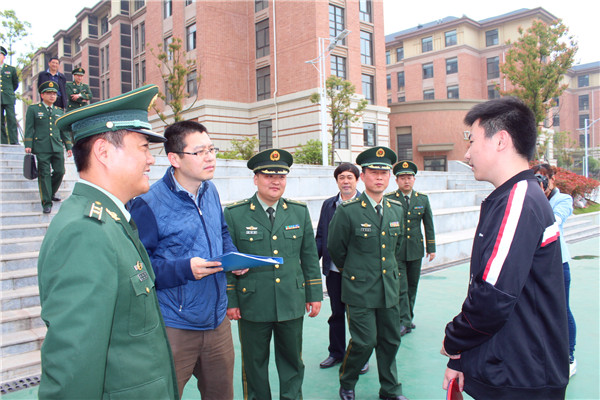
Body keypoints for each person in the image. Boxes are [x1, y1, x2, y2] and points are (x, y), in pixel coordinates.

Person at [38, 84, 178, 399]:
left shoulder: (111, 221)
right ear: (103, 152)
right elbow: (73, 368)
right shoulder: (85, 232)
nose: (151, 160)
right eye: (143, 147)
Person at [441, 97, 568, 399]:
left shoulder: (519, 199)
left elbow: (492, 299)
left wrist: (454, 340)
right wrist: (461, 357)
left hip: (522, 378)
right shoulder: (514, 196)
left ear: (500, 140)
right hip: (511, 366)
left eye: (472, 141)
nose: (468, 152)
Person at [129, 121, 247, 399]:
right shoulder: (147, 203)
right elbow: (138, 268)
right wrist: (185, 269)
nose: (210, 157)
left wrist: (233, 257)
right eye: (200, 152)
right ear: (174, 159)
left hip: (217, 321)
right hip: (175, 325)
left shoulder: (210, 190)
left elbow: (221, 231)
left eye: (212, 149)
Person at [224, 148, 323, 400]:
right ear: (255, 179)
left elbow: (310, 257)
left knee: (292, 362)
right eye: (268, 176)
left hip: (291, 299)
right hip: (252, 303)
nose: (275, 181)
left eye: (281, 177)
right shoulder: (235, 214)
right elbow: (228, 262)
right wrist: (231, 301)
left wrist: (314, 295)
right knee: (254, 364)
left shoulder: (298, 212)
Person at [328, 147, 408, 400]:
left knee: (391, 341)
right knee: (364, 341)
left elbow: (397, 247)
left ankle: (390, 389)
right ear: (363, 176)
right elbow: (336, 250)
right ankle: (348, 380)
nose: (379, 177)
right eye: (374, 172)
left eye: (384, 172)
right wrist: (355, 271)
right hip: (360, 289)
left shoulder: (396, 208)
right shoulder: (348, 210)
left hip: (389, 288)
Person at [316, 162, 368, 374]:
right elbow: (321, 236)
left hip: (360, 274)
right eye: (341, 178)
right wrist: (311, 264)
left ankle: (359, 358)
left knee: (358, 317)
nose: (345, 181)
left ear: (357, 180)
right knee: (336, 314)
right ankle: (336, 353)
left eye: (350, 177)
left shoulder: (366, 204)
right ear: (337, 181)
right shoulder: (329, 205)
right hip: (335, 272)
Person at [532, 163, 577, 377]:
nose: (541, 183)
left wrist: (538, 199)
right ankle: (544, 354)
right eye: (536, 179)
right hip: (536, 265)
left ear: (553, 179)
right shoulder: (531, 198)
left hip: (558, 264)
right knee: (538, 310)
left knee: (563, 309)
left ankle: (569, 355)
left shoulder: (563, 200)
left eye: (544, 178)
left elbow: (553, 223)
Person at [385, 160, 435, 335]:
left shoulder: (422, 199)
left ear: (414, 179)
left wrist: (431, 247)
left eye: (409, 177)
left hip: (415, 249)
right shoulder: (389, 199)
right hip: (396, 250)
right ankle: (403, 321)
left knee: (413, 285)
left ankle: (408, 318)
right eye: (402, 178)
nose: (406, 181)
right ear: (397, 180)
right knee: (401, 286)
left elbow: (428, 224)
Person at [24, 81, 72, 213]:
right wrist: (28, 144)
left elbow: (63, 130)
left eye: (54, 94)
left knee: (60, 171)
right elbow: (29, 128)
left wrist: (68, 145)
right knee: (44, 173)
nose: (52, 96)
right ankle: (46, 202)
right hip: (41, 146)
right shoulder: (34, 109)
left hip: (56, 146)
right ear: (42, 95)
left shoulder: (58, 111)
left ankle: (50, 192)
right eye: (49, 93)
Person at [0, 45, 19, 144]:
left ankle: (14, 141)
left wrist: (9, 91)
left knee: (11, 119)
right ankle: (2, 141)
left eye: (0, 54)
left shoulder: (11, 69)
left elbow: (15, 84)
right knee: (0, 121)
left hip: (8, 97)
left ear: (4, 57)